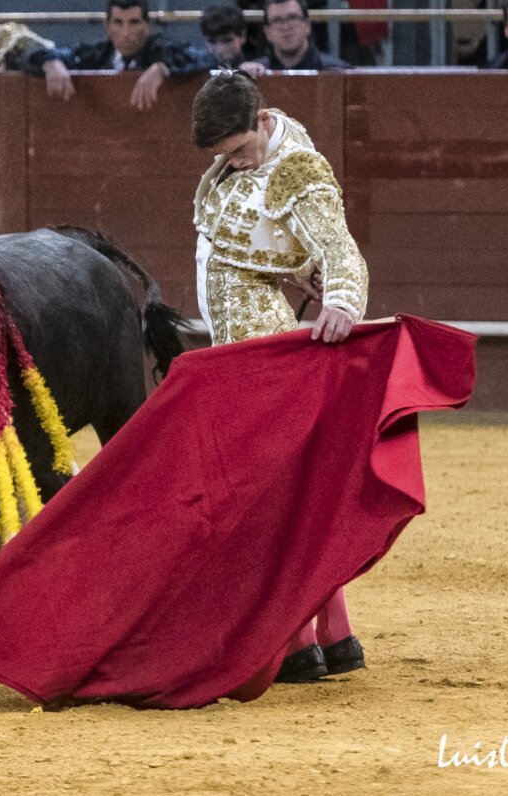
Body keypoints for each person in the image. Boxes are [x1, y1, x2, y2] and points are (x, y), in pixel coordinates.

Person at [190, 71, 369, 682]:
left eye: (240, 150)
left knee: (269, 489)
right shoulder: (249, 159)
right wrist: (299, 275)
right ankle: (333, 633)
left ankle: (296, 639)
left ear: (263, 119)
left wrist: (342, 301)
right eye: (224, 157)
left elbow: (341, 249)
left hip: (259, 341)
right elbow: (262, 242)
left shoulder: (297, 170)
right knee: (288, 485)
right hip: (245, 336)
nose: (236, 166)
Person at [23, 0, 217, 111]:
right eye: (118, 22)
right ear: (107, 27)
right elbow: (28, 55)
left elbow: (205, 58)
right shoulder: (96, 53)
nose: (125, 32)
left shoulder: (160, 51)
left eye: (134, 22)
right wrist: (50, 62)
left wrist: (161, 67)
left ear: (147, 27)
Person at [254, 0, 349, 70]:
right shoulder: (256, 74)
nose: (285, 27)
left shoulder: (339, 71)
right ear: (267, 32)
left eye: (292, 17)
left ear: (307, 25)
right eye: (277, 20)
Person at [200, 3, 263, 76]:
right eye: (212, 41)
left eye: (227, 41)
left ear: (242, 37)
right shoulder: (197, 68)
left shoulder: (259, 65)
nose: (220, 49)